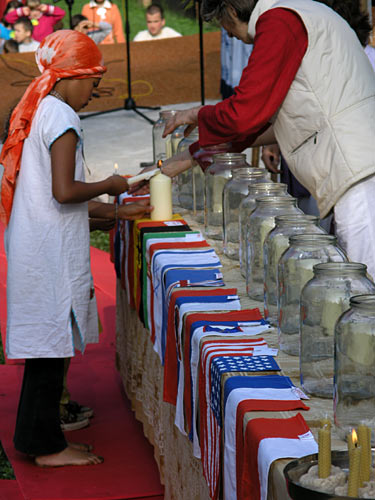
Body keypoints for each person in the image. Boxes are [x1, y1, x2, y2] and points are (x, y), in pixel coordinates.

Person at [0, 29, 151, 467]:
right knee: (50, 351)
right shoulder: (62, 117)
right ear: (72, 75)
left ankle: (36, 437)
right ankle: (47, 447)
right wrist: (112, 185)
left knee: (47, 351)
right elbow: (65, 192)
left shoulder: (40, 110)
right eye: (94, 80)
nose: (96, 91)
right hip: (48, 255)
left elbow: (51, 198)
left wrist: (116, 214)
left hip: (37, 243)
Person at [162, 0, 375, 279]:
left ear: (232, 11)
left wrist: (197, 113)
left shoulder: (280, 21)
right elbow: (268, 120)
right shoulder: (296, 11)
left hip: (358, 170)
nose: (227, 34)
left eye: (221, 24)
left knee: (365, 284)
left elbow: (245, 113)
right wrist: (190, 155)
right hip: (357, 165)